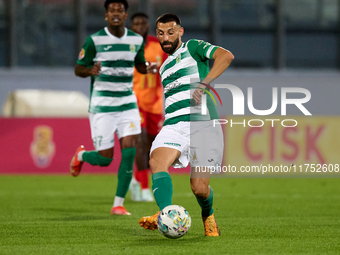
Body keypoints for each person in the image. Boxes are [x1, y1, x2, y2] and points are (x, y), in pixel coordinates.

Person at [138, 13, 234, 236]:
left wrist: (203, 84)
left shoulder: (192, 48)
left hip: (202, 123)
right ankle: (166, 214)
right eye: (161, 34)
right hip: (173, 125)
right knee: (156, 161)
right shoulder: (163, 68)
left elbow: (226, 56)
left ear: (180, 32)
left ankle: (207, 214)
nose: (166, 38)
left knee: (199, 188)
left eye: (170, 32)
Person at [70, 0, 157, 216]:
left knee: (129, 152)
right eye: (112, 10)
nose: (116, 13)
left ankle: (118, 204)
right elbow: (78, 68)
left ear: (125, 15)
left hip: (127, 104)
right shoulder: (95, 40)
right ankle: (81, 156)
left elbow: (138, 64)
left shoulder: (135, 40)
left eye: (120, 10)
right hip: (102, 106)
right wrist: (90, 70)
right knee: (105, 158)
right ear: (106, 15)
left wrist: (148, 68)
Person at [129, 12, 167, 202]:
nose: (140, 26)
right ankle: (145, 188)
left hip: (155, 102)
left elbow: (168, 69)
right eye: (136, 23)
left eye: (143, 23)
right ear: (131, 26)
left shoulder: (158, 46)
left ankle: (136, 180)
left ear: (148, 25)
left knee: (152, 146)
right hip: (134, 102)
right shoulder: (126, 46)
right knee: (141, 142)